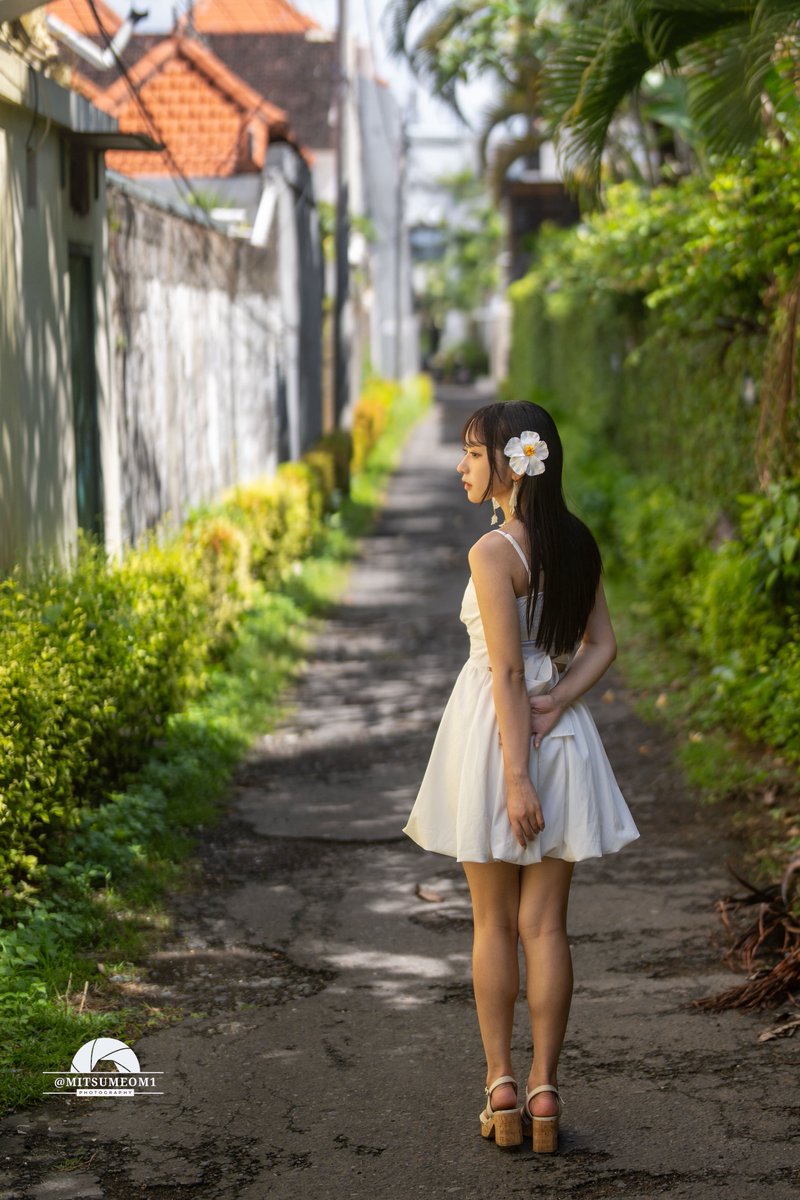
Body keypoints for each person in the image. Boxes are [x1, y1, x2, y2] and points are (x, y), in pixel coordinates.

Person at [403, 400, 639, 1153]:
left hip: (496, 739)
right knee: (546, 926)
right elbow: (601, 646)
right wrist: (557, 704)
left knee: (494, 924)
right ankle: (543, 1090)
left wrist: (516, 775)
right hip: (558, 733)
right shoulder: (573, 541)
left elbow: (504, 669)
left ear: (509, 464)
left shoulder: (492, 552)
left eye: (473, 454)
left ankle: (500, 1081)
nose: (462, 466)